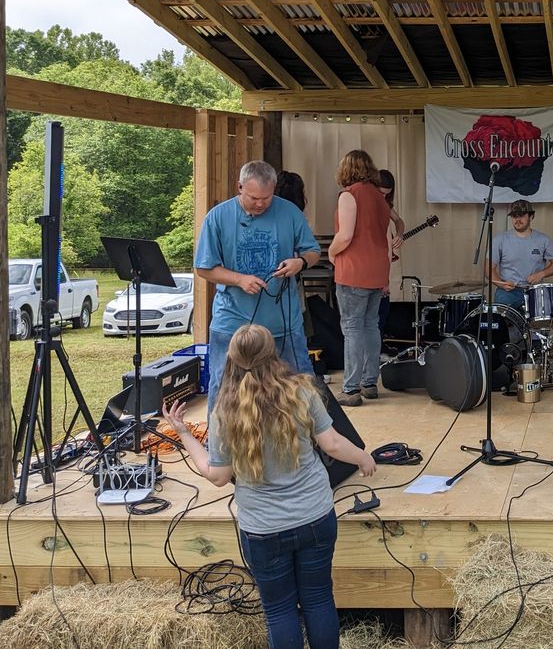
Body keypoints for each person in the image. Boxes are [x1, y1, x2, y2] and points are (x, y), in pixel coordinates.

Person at [163, 324, 375, 649]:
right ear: (273, 353)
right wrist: (363, 458)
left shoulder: (224, 410)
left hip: (263, 529)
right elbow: (332, 444)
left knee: (279, 609)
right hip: (315, 516)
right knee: (319, 599)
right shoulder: (302, 390)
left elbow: (217, 476)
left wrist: (185, 434)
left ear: (231, 359)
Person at [195, 160, 320, 415]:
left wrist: (300, 262)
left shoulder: (290, 212)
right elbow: (204, 268)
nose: (261, 203)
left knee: (302, 380)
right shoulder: (218, 217)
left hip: (283, 321)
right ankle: (218, 447)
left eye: (267, 197)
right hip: (232, 322)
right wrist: (239, 279)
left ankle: (314, 441)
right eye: (254, 198)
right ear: (239, 187)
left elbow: (313, 252)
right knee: (222, 385)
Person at [328, 150, 392, 406]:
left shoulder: (349, 195)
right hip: (377, 270)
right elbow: (390, 233)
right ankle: (369, 383)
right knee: (370, 326)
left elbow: (345, 236)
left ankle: (351, 388)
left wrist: (330, 253)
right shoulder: (380, 197)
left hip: (353, 269)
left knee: (352, 329)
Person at [484, 199, 553, 363]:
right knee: (497, 316)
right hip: (509, 291)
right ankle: (502, 356)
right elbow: (488, 269)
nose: (517, 219)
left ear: (531, 217)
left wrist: (541, 273)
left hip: (535, 291)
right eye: (514, 216)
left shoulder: (543, 240)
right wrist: (500, 282)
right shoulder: (500, 240)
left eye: (521, 215)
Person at [375, 170, 405, 335]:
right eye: (380, 193)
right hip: (372, 260)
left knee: (383, 304)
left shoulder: (385, 204)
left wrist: (399, 234)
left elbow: (399, 221)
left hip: (382, 259)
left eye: (387, 195)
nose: (383, 197)